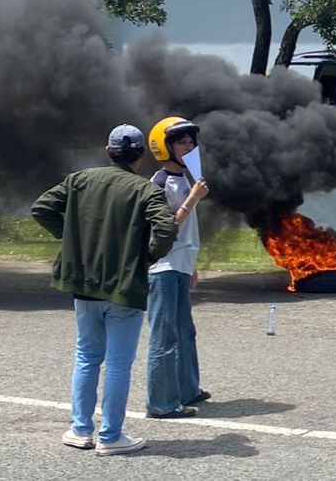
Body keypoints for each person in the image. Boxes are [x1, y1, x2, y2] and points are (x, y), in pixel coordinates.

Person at [31, 124, 178, 456]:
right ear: (141, 155)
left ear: (108, 151)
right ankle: (111, 435)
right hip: (124, 287)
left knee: (86, 357)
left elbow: (41, 208)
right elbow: (166, 227)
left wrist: (71, 237)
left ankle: (80, 430)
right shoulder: (146, 190)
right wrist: (149, 257)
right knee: (118, 363)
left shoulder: (79, 180)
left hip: (84, 284)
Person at [145, 117, 212, 420]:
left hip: (181, 264)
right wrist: (193, 199)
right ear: (164, 147)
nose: (189, 147)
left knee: (185, 331)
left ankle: (188, 389)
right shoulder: (159, 183)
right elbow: (165, 229)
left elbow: (187, 234)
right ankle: (161, 402)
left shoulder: (185, 178)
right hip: (164, 267)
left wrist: (191, 265)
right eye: (181, 142)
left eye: (191, 142)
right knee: (164, 336)